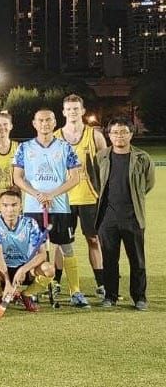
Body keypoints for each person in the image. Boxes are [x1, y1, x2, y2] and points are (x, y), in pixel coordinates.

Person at [12, 109, 85, 307]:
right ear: (34, 123)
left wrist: (52, 194)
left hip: (60, 208)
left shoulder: (65, 147)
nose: (44, 124)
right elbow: (17, 177)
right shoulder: (24, 148)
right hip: (33, 207)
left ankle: (75, 292)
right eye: (40, 120)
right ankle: (35, 289)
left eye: (48, 120)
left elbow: (75, 177)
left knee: (67, 248)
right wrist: (36, 194)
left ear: (55, 123)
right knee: (37, 251)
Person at [95, 118, 155, 310]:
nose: (119, 136)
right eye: (115, 132)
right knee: (109, 259)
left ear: (131, 134)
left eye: (123, 132)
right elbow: (96, 182)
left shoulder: (142, 158)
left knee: (137, 259)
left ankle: (139, 297)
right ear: (109, 135)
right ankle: (110, 296)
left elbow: (148, 183)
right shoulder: (101, 157)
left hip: (133, 217)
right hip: (107, 218)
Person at [53, 94, 108, 298]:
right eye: (69, 109)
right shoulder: (56, 136)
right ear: (63, 112)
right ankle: (56, 282)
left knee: (93, 239)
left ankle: (101, 284)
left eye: (76, 108)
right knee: (60, 242)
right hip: (64, 199)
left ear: (83, 111)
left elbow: (106, 166)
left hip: (89, 198)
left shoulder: (95, 136)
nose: (73, 112)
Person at [0, 190, 54, 312]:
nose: (10, 210)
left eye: (14, 205)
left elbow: (42, 254)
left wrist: (23, 269)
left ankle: (26, 295)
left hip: (25, 268)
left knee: (49, 269)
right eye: (5, 205)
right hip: (2, 268)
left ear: (21, 207)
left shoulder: (30, 223)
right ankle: (0, 295)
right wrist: (8, 282)